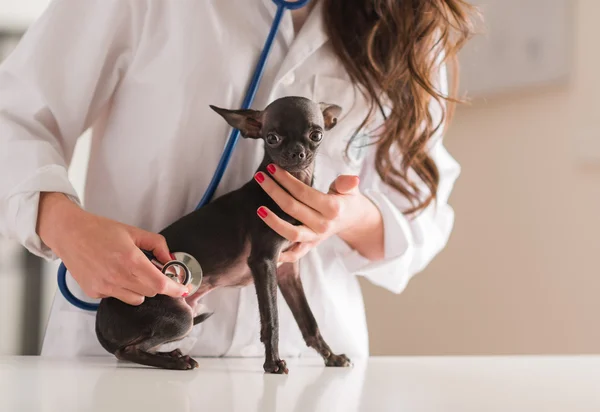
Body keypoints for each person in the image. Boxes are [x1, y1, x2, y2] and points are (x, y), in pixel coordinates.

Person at [0, 0, 476, 358]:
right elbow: (13, 117)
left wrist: (344, 215)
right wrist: (63, 224)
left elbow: (422, 215)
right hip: (130, 342)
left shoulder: (407, 21)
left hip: (304, 370)